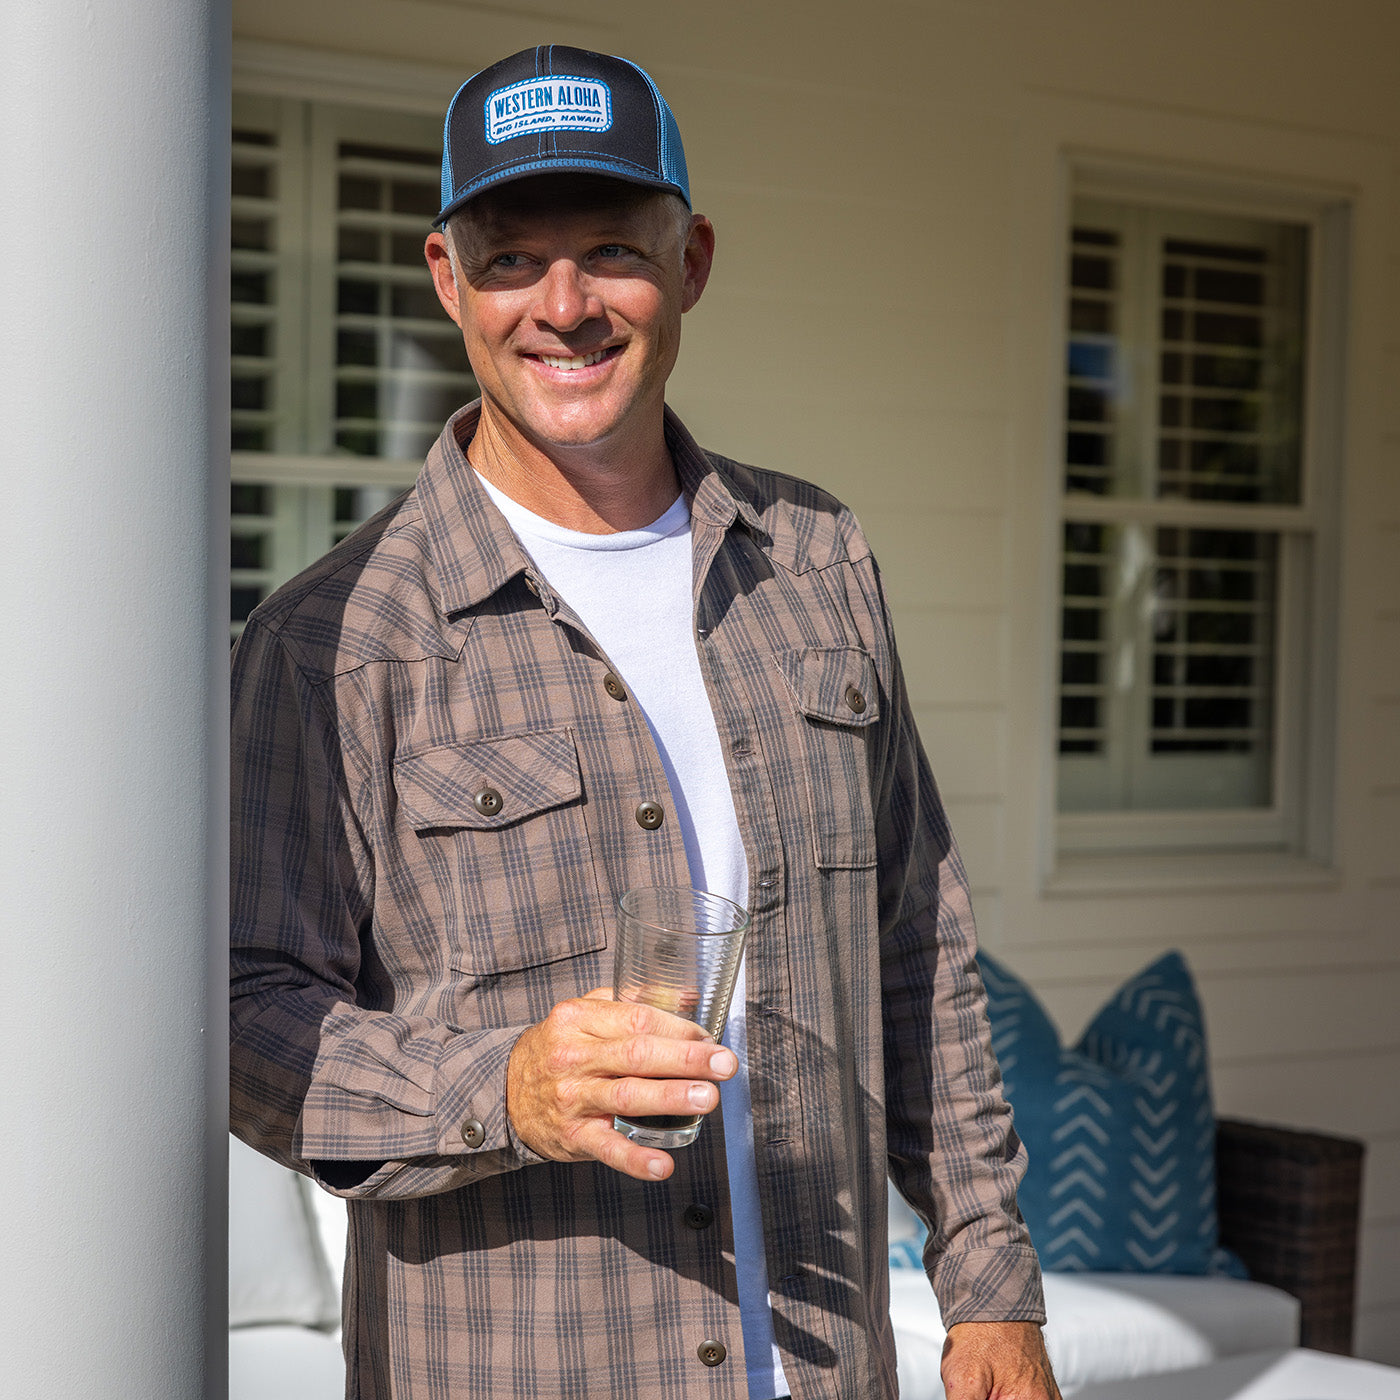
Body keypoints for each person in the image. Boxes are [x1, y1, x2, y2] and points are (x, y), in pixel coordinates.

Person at [229, 43, 1060, 1400]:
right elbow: (242, 1018)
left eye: (613, 248)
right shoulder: (335, 640)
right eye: (510, 260)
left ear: (694, 262)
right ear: (448, 278)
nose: (563, 306)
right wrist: (507, 1087)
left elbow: (919, 946)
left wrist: (990, 1288)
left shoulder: (818, 560)